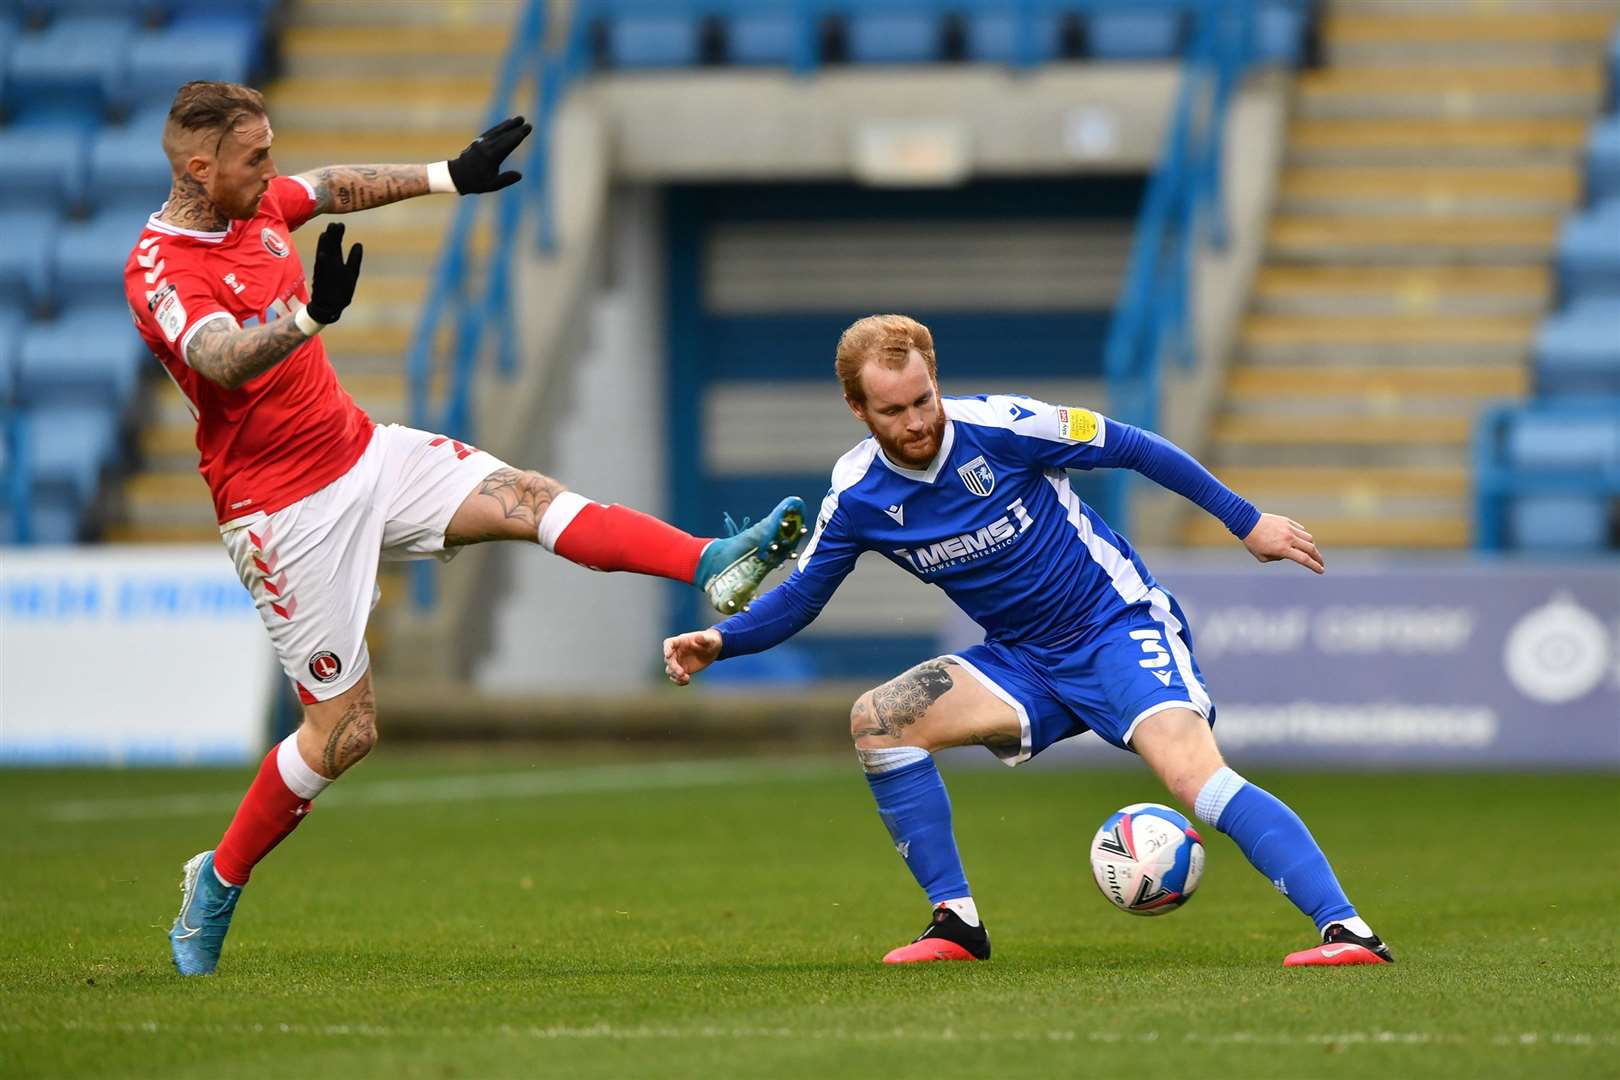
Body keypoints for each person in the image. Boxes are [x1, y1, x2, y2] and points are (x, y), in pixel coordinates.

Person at [124, 81, 806, 976]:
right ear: (197, 168)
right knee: (345, 733)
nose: (272, 169)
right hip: (282, 514)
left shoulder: (258, 202)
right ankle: (217, 879)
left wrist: (451, 174)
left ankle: (710, 561)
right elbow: (215, 357)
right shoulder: (159, 267)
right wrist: (306, 318)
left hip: (362, 450)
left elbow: (331, 186)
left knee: (523, 496)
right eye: (255, 158)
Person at [662, 314, 1393, 968]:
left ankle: (1349, 931)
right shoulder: (856, 495)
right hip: (1020, 660)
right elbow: (801, 597)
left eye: (924, 399)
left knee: (1193, 779)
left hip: (1115, 627)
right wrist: (719, 642)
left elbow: (1134, 447)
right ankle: (957, 924)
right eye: (893, 409)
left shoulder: (1006, 427)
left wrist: (1248, 522)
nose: (917, 420)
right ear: (858, 409)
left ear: (935, 380)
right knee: (879, 723)